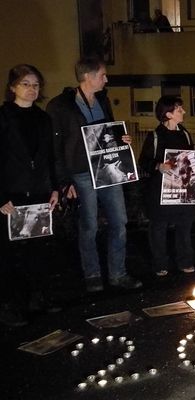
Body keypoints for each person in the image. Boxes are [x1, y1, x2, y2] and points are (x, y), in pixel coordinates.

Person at [47, 57, 142, 292]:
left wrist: (122, 139)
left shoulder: (102, 99)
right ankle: (92, 274)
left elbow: (107, 131)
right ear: (88, 76)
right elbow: (56, 147)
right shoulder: (61, 105)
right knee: (89, 225)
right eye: (103, 75)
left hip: (107, 169)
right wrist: (64, 181)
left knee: (119, 222)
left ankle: (117, 273)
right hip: (80, 171)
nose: (106, 79)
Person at [0, 64, 60, 326]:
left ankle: (38, 298)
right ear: (13, 87)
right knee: (11, 254)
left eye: (36, 85)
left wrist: (54, 187)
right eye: (26, 83)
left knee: (38, 249)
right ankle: (10, 305)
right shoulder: (2, 117)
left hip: (38, 192)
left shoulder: (43, 119)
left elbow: (49, 156)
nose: (32, 89)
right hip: (11, 195)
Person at [138, 96, 195, 277]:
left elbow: (191, 157)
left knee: (184, 225)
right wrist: (158, 166)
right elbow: (143, 162)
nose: (184, 112)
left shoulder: (185, 134)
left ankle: (185, 261)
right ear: (169, 114)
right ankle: (160, 263)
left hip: (182, 189)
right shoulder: (155, 136)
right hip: (160, 190)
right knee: (159, 226)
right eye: (179, 110)